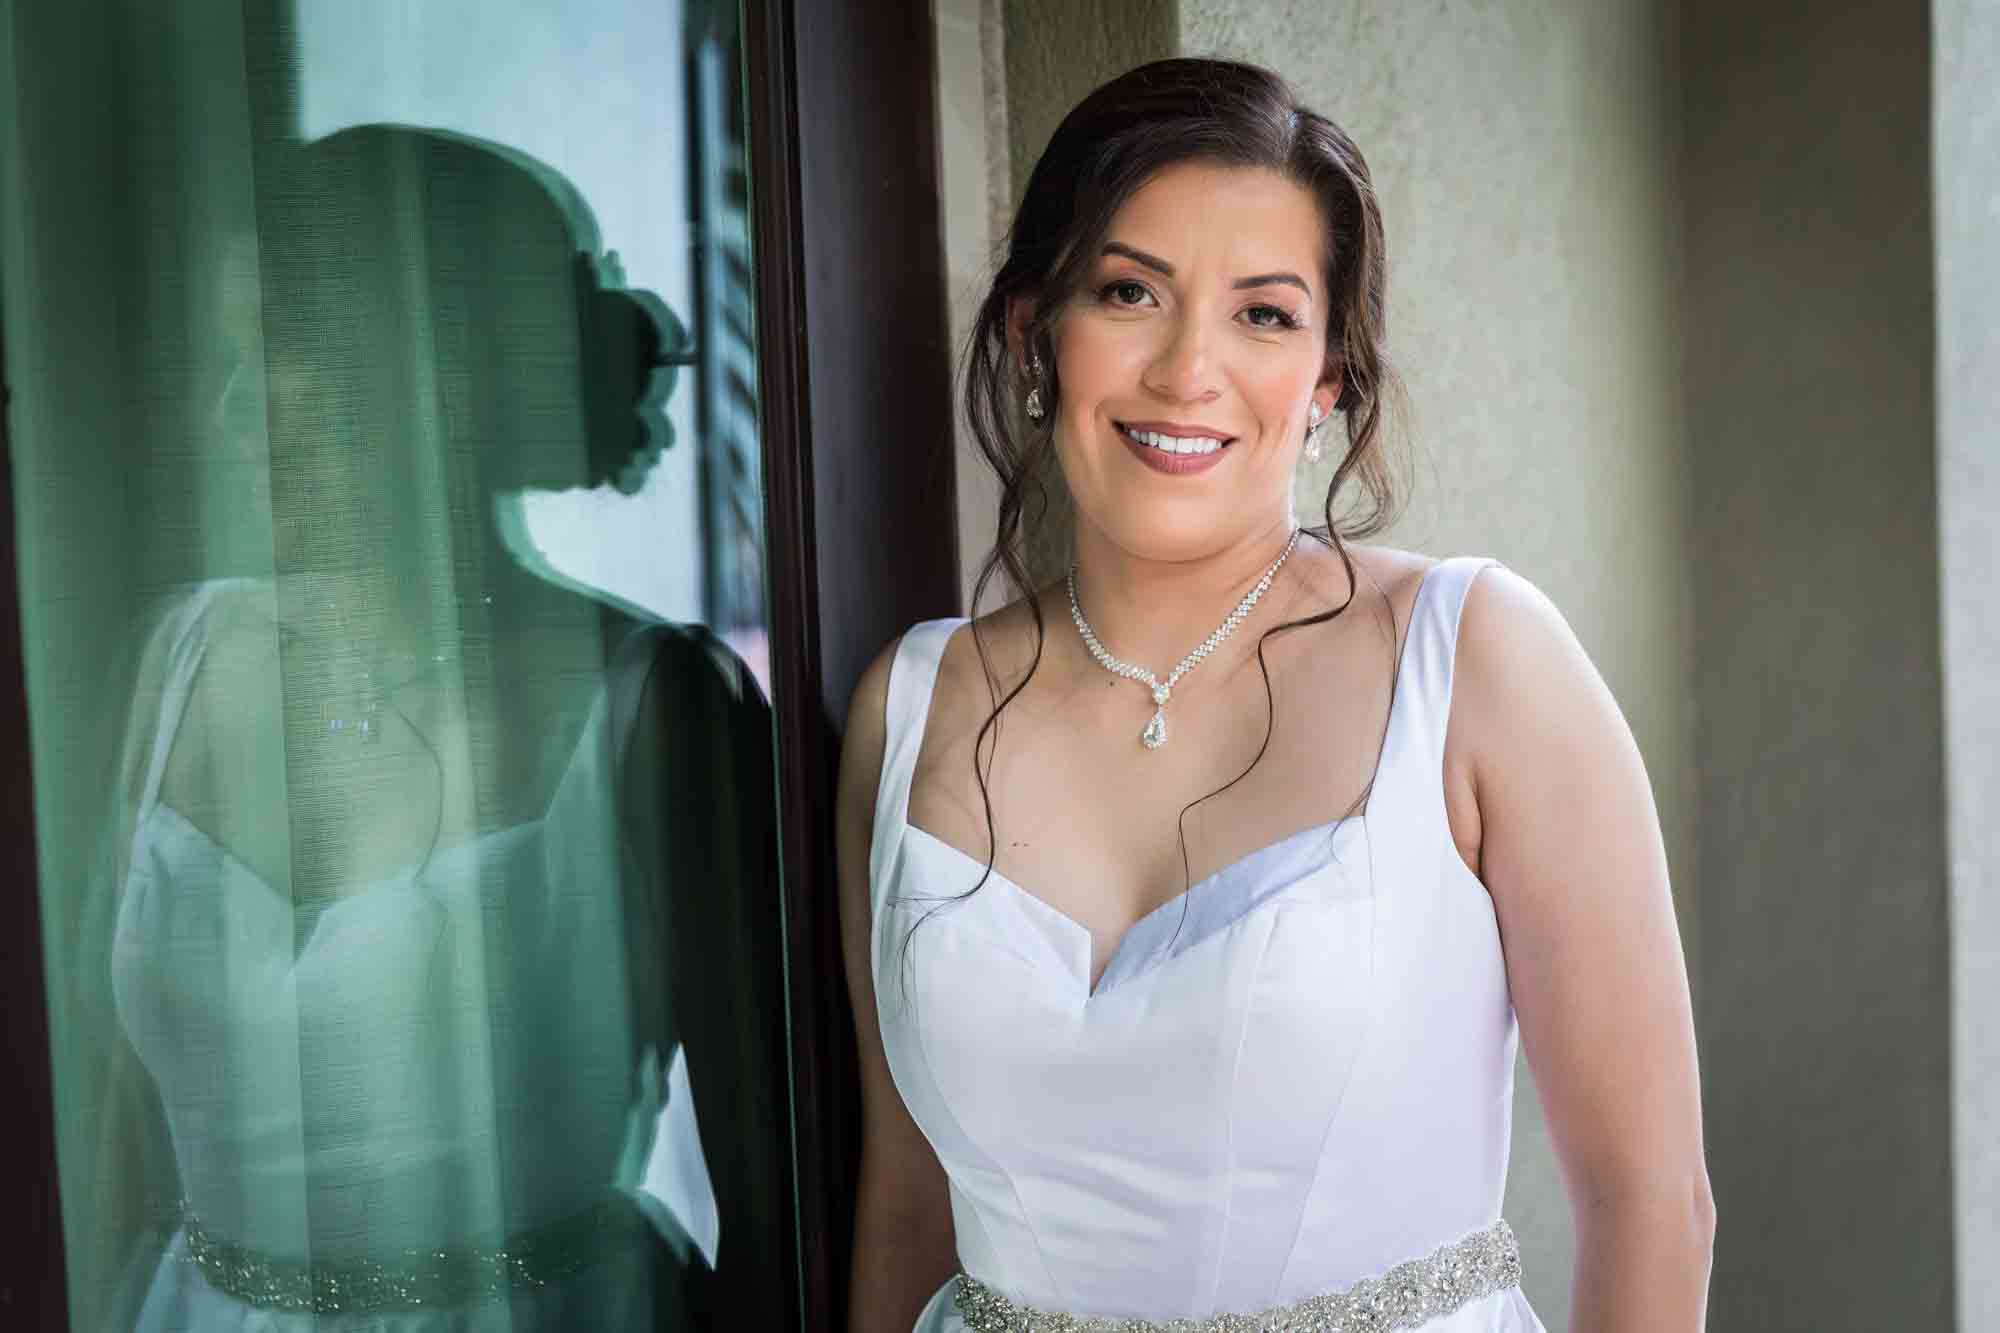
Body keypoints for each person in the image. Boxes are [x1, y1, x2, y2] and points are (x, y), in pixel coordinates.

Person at [837, 58, 1713, 1332]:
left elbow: (1650, 1200)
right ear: (1037, 335)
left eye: (1261, 314)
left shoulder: (1474, 664)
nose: (1186, 370)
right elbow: (907, 1200)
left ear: (1328, 380)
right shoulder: (910, 707)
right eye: (1129, 291)